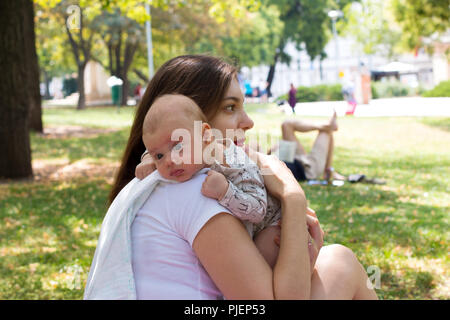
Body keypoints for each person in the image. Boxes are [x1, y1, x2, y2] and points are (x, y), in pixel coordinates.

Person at [92, 54, 377, 300]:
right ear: (195, 124)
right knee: (341, 262)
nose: (248, 121)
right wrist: (292, 195)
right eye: (230, 107)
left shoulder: (161, 182)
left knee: (336, 261)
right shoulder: (195, 190)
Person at [141, 93, 293, 269]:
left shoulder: (234, 163)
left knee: (258, 255)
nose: (169, 161)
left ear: (206, 135)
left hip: (272, 225)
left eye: (178, 146)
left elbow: (258, 210)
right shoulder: (187, 157)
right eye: (159, 156)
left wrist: (226, 191)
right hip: (241, 233)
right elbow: (159, 143)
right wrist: (147, 159)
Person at [273, 111, 347, 182]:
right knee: (325, 132)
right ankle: (328, 170)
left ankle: (327, 125)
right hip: (308, 170)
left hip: (291, 157)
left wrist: (273, 152)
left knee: (286, 124)